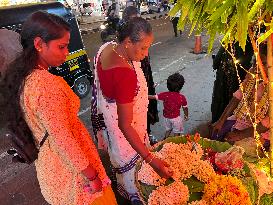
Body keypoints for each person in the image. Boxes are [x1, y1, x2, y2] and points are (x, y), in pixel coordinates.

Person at [0, 11, 117, 205]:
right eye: (61, 46)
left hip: (51, 169)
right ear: (38, 44)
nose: (66, 52)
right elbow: (64, 140)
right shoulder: (47, 85)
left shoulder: (25, 77)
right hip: (73, 176)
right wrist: (93, 177)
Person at [91, 17, 173, 205]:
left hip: (113, 131)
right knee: (134, 176)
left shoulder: (108, 47)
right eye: (143, 47)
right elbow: (125, 125)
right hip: (126, 137)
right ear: (127, 42)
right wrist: (152, 160)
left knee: (120, 164)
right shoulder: (124, 74)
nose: (146, 54)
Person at [211, 44, 269, 147]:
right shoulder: (252, 73)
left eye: (263, 63)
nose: (257, 67)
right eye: (256, 62)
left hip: (262, 130)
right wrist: (221, 120)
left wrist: (240, 135)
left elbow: (268, 123)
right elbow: (238, 96)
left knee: (235, 148)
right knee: (215, 134)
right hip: (242, 118)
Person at [120, 5, 159, 145]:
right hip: (128, 142)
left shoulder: (140, 47)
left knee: (146, 109)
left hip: (144, 78)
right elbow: (124, 123)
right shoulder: (122, 62)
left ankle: (147, 133)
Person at [211, 39, 254, 123]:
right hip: (236, 90)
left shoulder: (227, 42)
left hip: (222, 89)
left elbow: (215, 64)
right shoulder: (250, 45)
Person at [149, 73, 188, 138]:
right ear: (181, 87)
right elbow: (185, 108)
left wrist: (143, 95)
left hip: (166, 118)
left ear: (168, 85)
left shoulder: (164, 95)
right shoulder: (182, 97)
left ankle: (165, 140)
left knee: (168, 129)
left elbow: (153, 97)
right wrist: (186, 115)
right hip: (176, 119)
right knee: (177, 133)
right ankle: (175, 143)